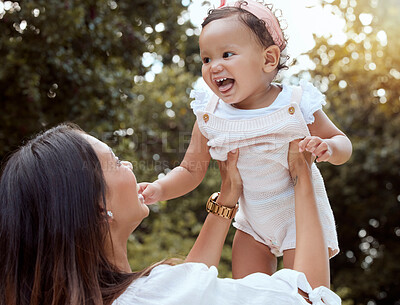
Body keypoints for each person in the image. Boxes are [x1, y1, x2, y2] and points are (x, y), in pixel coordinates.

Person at [0, 123, 341, 304]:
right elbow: (309, 299)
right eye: (116, 162)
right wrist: (301, 178)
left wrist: (228, 196)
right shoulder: (155, 294)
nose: (130, 165)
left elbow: (191, 285)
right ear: (98, 206)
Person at [139, 0, 353, 278]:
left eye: (227, 54)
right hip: (251, 223)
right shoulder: (210, 113)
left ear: (268, 59)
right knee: (249, 291)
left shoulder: (294, 103)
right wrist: (160, 189)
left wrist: (329, 148)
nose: (214, 66)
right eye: (206, 59)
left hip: (300, 217)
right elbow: (191, 169)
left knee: (305, 292)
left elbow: (342, 142)